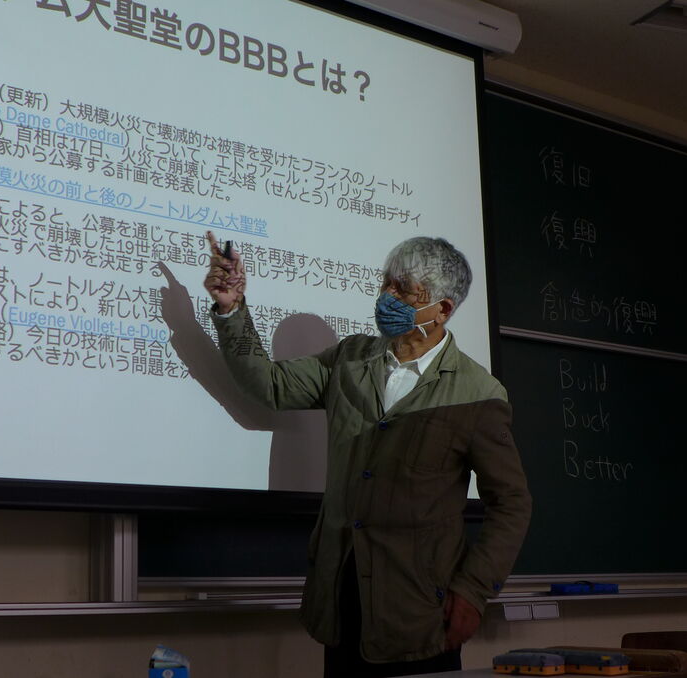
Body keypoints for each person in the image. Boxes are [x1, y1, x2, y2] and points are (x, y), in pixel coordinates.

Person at [203, 231, 531, 677]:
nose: (386, 296)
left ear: (442, 310)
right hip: (342, 601)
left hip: (418, 613)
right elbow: (270, 385)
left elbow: (511, 503)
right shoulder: (350, 359)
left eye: (403, 289)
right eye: (386, 283)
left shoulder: (477, 393)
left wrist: (473, 589)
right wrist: (231, 309)